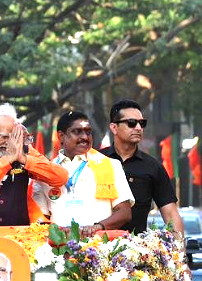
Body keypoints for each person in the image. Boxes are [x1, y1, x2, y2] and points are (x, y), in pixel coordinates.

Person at [32, 111, 134, 233]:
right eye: (77, 131)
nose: (85, 137)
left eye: (88, 132)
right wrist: (57, 232)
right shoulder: (46, 172)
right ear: (61, 136)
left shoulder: (111, 165)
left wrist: (97, 227)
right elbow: (40, 218)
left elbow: (124, 212)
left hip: (99, 246)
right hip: (58, 247)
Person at [100, 99, 184, 239]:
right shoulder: (95, 161)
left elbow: (170, 215)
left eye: (142, 123)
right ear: (114, 127)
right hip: (95, 250)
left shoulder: (153, 167)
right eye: (131, 123)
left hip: (136, 252)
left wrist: (180, 255)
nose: (138, 128)